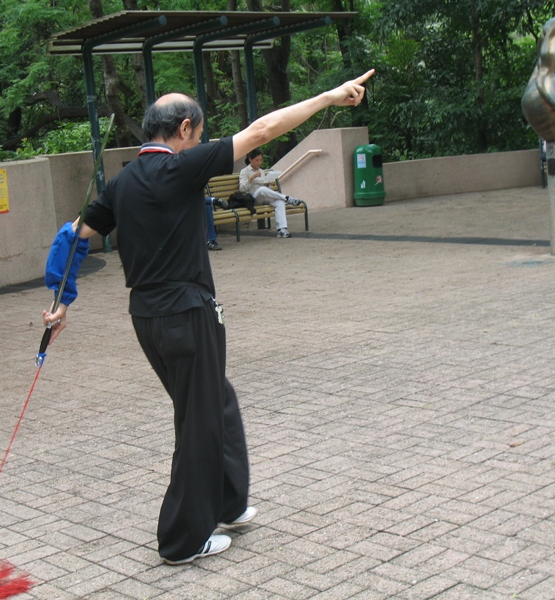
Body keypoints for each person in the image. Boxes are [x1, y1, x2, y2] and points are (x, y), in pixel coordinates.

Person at [42, 68, 374, 565]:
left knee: (216, 402)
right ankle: (181, 540)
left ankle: (228, 502)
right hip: (186, 314)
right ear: (183, 130)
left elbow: (76, 234)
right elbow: (261, 131)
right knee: (198, 421)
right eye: (198, 131)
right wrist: (326, 98)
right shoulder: (181, 168)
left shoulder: (124, 181)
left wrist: (61, 299)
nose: (200, 139)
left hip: (149, 319)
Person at [239, 148, 301, 238]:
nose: (259, 163)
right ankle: (287, 198)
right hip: (253, 198)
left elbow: (266, 188)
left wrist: (268, 183)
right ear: (250, 159)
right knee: (262, 190)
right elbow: (242, 188)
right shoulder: (244, 171)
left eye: (261, 160)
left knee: (279, 202)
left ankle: (282, 230)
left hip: (264, 196)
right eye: (257, 160)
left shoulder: (261, 171)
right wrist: (251, 178)